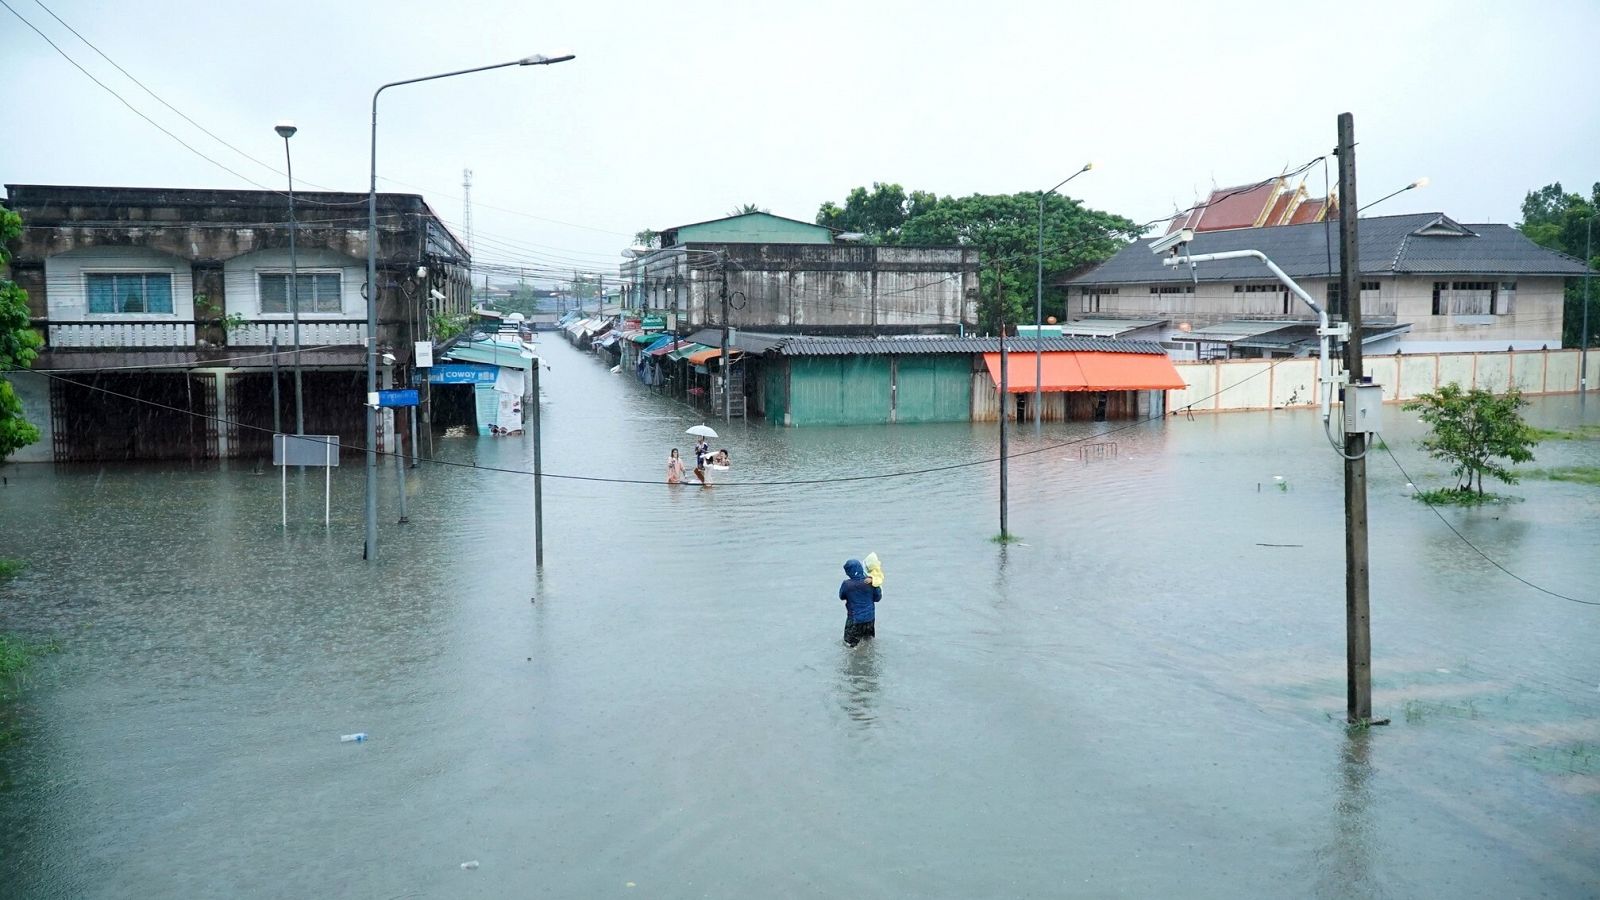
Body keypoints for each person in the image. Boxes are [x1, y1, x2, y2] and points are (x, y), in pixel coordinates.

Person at [838, 558, 881, 646]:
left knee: (850, 646)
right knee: (868, 643)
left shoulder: (847, 584)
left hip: (855, 620)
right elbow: (878, 598)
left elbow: (841, 596)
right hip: (870, 619)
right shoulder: (871, 582)